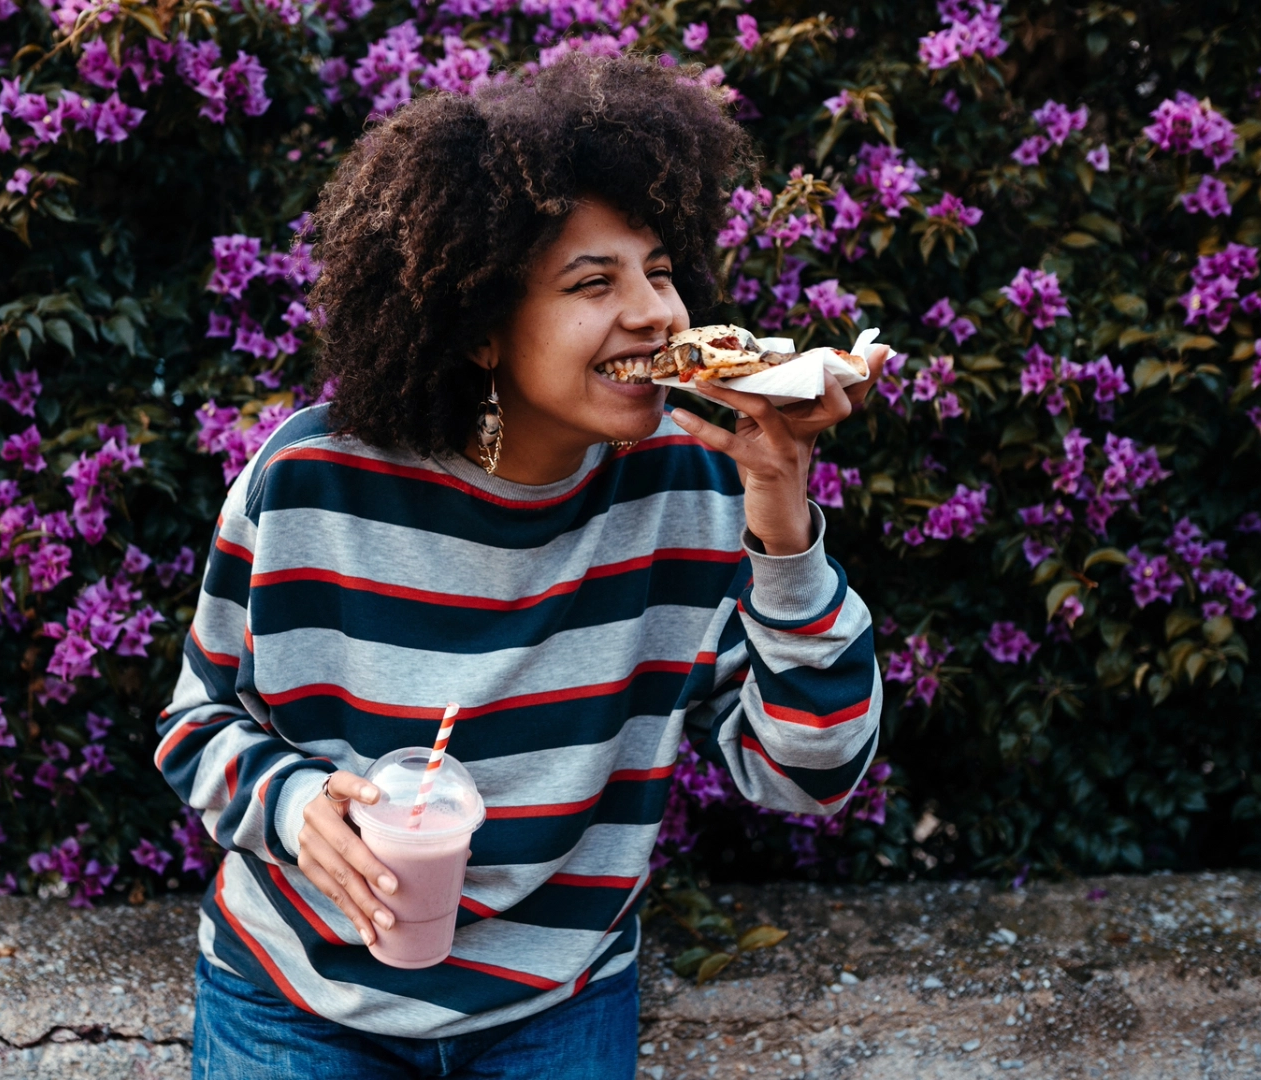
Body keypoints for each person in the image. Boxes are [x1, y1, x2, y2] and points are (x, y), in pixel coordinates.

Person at [157, 51, 888, 1080]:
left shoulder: (695, 488)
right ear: (483, 329)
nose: (655, 313)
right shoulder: (313, 481)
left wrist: (781, 510)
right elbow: (198, 723)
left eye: (661, 269)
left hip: (558, 998)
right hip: (296, 998)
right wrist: (291, 808)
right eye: (594, 282)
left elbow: (806, 775)